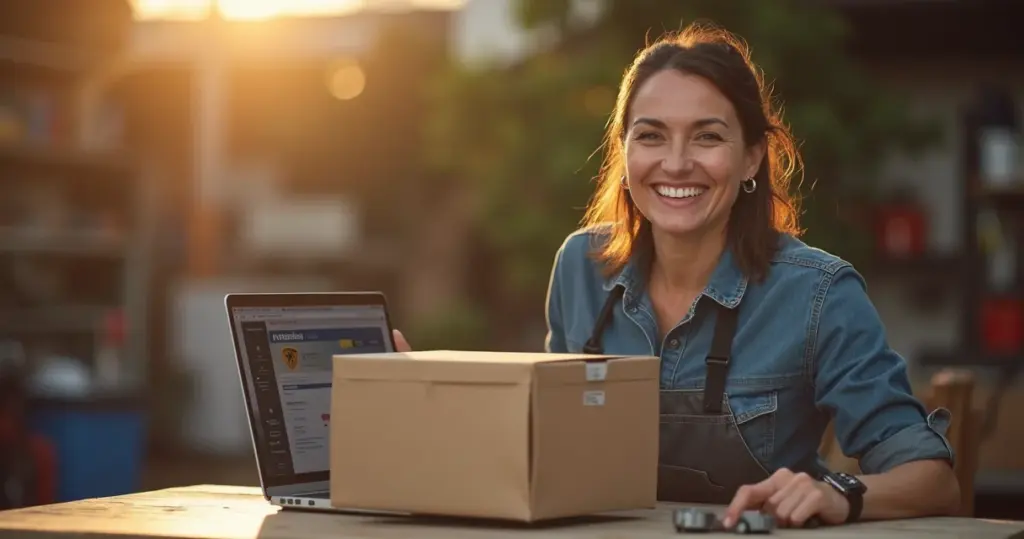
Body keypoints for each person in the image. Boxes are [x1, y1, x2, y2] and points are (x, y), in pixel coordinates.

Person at [392, 22, 960, 528]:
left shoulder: (818, 294)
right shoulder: (580, 269)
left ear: (752, 158)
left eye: (708, 136)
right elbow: (544, 458)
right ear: (625, 152)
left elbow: (932, 480)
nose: (677, 162)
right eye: (651, 135)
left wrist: (838, 494)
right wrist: (434, 405)